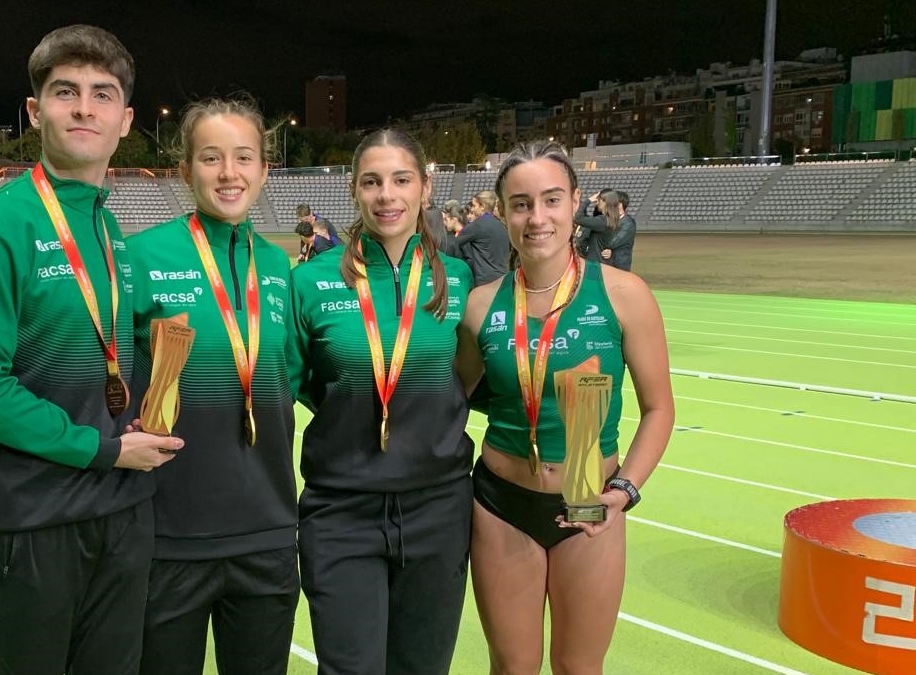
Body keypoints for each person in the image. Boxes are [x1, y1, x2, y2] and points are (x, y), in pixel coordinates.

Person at [0, 25, 185, 675]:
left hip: (123, 508)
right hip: (36, 519)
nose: (84, 107)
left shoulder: (109, 231)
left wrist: (162, 379)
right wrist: (103, 448)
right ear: (34, 110)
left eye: (102, 94)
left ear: (125, 119)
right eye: (65, 91)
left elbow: (144, 336)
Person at [456, 139, 674, 675]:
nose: (537, 218)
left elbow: (658, 409)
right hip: (501, 505)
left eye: (551, 200)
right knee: (512, 665)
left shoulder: (625, 294)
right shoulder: (481, 305)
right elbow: (449, 402)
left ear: (576, 203)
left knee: (579, 667)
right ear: (503, 211)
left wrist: (623, 490)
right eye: (522, 203)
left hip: (588, 498)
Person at [287, 128, 475, 675]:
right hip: (342, 508)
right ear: (354, 190)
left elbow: (465, 377)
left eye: (400, 180)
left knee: (423, 667)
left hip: (438, 508)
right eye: (371, 182)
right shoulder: (310, 281)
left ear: (425, 186)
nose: (386, 195)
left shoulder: (458, 279)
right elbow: (300, 382)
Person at [127, 97, 299, 675]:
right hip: (169, 536)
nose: (229, 173)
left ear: (264, 170)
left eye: (243, 157)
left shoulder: (277, 268)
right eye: (211, 157)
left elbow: (288, 380)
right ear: (185, 170)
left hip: (268, 533)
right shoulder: (140, 257)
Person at [455, 190, 510, 285]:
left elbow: (455, 243)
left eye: (474, 205)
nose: (471, 209)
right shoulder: (502, 226)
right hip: (503, 280)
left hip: (484, 282)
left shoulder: (478, 225)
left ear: (482, 207)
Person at [573, 189, 635, 270]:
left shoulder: (604, 221)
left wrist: (588, 201)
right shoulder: (611, 220)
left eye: (599, 201)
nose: (597, 203)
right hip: (603, 263)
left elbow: (578, 218)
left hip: (598, 264)